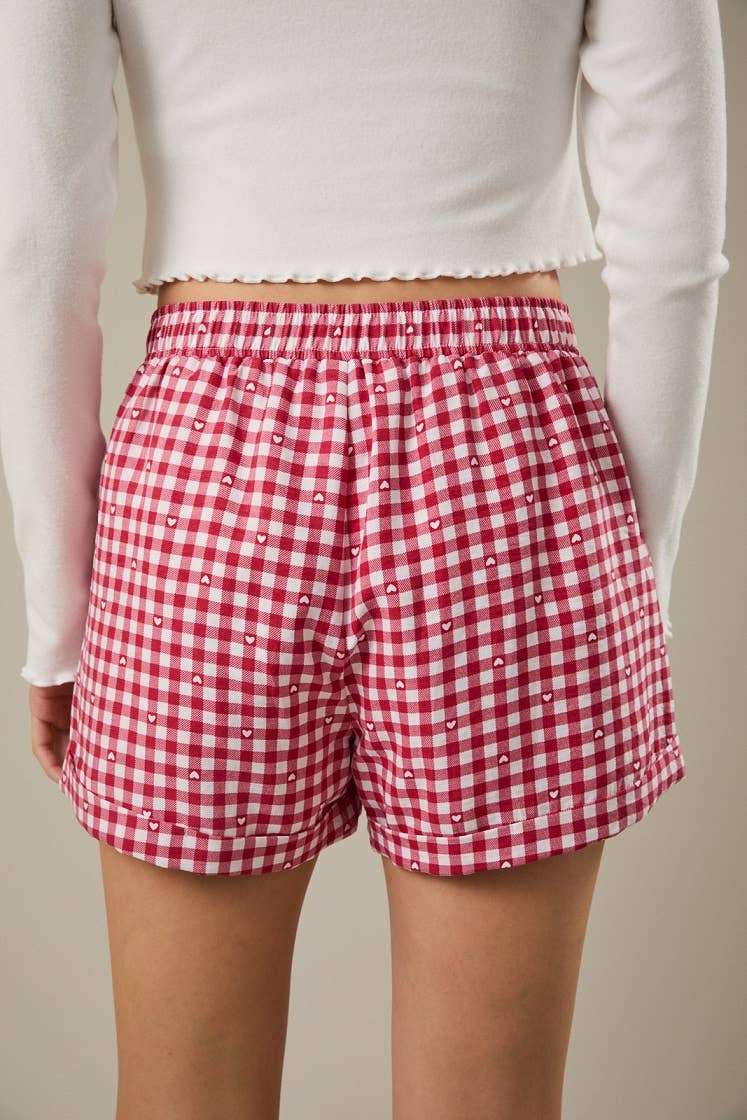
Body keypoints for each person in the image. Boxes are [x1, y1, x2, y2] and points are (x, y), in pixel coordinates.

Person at [0, 1, 729, 1117]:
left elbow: (38, 236)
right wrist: (633, 577)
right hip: (505, 457)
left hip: (209, 472)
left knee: (184, 1098)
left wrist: (59, 619)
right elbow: (674, 239)